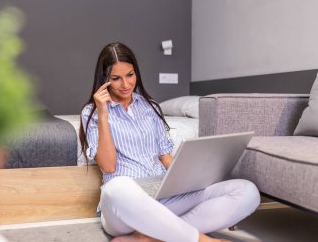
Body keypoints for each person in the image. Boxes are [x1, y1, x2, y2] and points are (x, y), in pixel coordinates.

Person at [79, 42, 260, 242]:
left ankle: (149, 238)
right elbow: (108, 166)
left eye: (130, 75)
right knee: (117, 187)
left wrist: (191, 181)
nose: (125, 84)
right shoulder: (92, 112)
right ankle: (201, 240)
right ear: (104, 79)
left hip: (162, 195)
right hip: (125, 206)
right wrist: (103, 114)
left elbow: (165, 157)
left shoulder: (150, 107)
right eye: (116, 78)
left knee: (246, 191)